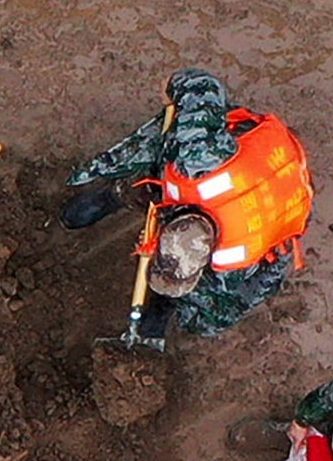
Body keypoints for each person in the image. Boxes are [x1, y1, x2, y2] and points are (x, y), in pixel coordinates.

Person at [61, 68, 314, 347]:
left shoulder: (233, 265)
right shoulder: (200, 160)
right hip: (249, 160)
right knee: (161, 154)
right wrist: (171, 86)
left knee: (205, 322)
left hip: (284, 184)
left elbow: (254, 285)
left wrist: (184, 296)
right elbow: (204, 85)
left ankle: (163, 309)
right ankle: (117, 194)